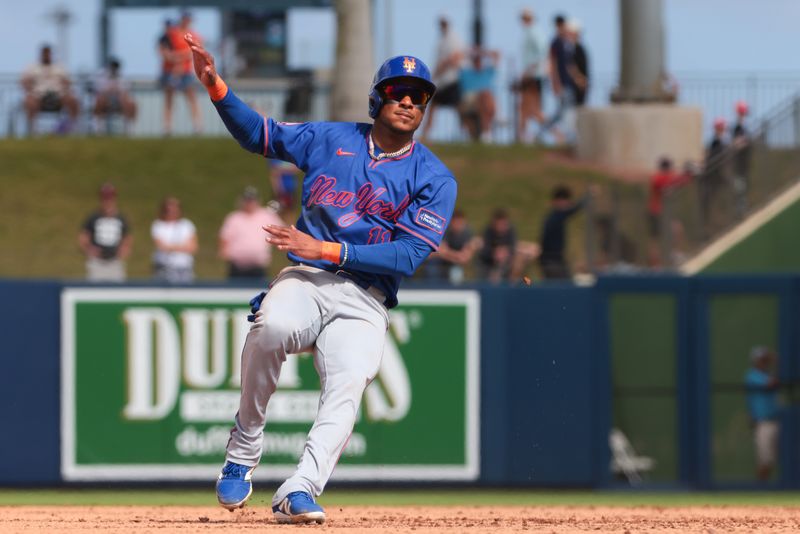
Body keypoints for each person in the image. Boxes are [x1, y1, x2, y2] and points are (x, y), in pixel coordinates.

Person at [185, 34, 457, 524]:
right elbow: (260, 135)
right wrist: (217, 88)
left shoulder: (434, 176)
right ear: (378, 98)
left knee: (348, 383)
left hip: (366, 297)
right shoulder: (330, 138)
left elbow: (411, 252)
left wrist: (331, 248)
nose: (410, 103)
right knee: (269, 327)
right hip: (308, 278)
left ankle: (300, 488)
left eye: (420, 97)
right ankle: (244, 444)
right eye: (399, 92)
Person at [218, 186, 284, 281]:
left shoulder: (266, 215)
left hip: (258, 267)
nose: (250, 203)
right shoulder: (234, 217)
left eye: (252, 200)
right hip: (237, 267)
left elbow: (281, 231)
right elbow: (225, 237)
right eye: (247, 200)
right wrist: (224, 252)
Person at [421, 16, 465, 140]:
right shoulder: (442, 39)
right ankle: (426, 133)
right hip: (442, 82)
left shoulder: (453, 38)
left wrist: (442, 66)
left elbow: (457, 56)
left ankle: (466, 132)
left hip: (452, 80)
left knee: (458, 108)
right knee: (434, 105)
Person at [20, 44, 80, 135]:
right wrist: (29, 87)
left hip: (58, 95)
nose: (46, 56)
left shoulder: (59, 67)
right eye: (44, 53)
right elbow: (24, 81)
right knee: (29, 101)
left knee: (72, 100)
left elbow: (68, 82)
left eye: (48, 53)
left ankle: (73, 128)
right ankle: (33, 131)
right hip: (38, 95)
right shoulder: (32, 67)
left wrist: (66, 86)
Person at [78, 183, 132, 282]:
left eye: (110, 198)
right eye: (105, 198)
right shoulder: (93, 217)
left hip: (115, 261)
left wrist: (124, 250)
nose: (107, 202)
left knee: (117, 291)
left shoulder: (121, 218)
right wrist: (88, 249)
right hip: (97, 262)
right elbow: (83, 237)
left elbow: (127, 237)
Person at [538, 185, 591, 280]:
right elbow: (574, 209)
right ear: (558, 202)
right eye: (566, 202)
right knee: (563, 287)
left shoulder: (554, 216)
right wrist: (588, 195)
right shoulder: (556, 216)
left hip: (555, 260)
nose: (568, 204)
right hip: (552, 262)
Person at [161, 12, 202, 134]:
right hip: (170, 71)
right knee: (169, 99)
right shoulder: (172, 33)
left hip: (186, 71)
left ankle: (197, 125)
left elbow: (195, 51)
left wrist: (177, 57)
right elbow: (165, 52)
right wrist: (179, 57)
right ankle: (167, 127)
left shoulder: (194, 35)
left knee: (191, 98)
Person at [647, 157, 692, 267]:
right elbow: (671, 181)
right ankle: (656, 263)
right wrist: (686, 174)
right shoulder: (659, 178)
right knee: (659, 238)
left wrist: (688, 175)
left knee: (675, 230)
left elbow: (678, 182)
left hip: (662, 212)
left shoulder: (663, 177)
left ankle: (672, 254)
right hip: (657, 211)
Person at [744, 346, 780, 482]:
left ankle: (764, 486)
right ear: (755, 361)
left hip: (775, 419)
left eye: (765, 360)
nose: (763, 362)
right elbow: (771, 384)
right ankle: (760, 487)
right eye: (761, 360)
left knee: (772, 458)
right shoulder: (752, 375)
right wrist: (778, 364)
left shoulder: (767, 374)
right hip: (762, 421)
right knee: (765, 458)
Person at [538, 15, 574, 144]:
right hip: (561, 83)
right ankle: (567, 137)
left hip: (568, 83)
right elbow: (552, 63)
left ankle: (544, 132)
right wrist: (555, 83)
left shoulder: (566, 42)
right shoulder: (555, 43)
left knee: (563, 112)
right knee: (563, 112)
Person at [515, 8, 547, 144]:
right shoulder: (530, 32)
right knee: (525, 108)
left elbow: (541, 53)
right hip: (531, 75)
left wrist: (528, 70)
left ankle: (557, 133)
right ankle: (521, 136)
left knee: (531, 108)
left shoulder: (534, 32)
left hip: (532, 76)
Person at [424, 209, 480, 283]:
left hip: (457, 266)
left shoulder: (468, 234)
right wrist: (456, 256)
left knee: (456, 272)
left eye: (460, 223)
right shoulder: (445, 232)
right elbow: (438, 251)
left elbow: (465, 258)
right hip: (442, 263)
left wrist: (446, 254)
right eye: (455, 222)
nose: (457, 225)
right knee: (432, 267)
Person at [151, 196, 198, 283]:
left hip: (183, 267)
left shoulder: (187, 225)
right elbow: (162, 246)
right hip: (164, 267)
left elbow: (193, 247)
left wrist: (171, 247)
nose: (172, 212)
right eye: (168, 210)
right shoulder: (158, 225)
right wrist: (182, 247)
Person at [458, 47, 500, 142]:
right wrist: (470, 52)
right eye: (476, 59)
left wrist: (482, 52)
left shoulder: (488, 72)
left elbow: (497, 55)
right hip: (470, 101)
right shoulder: (466, 72)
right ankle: (487, 132)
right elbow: (455, 59)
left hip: (486, 102)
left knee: (485, 96)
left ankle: (486, 132)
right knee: (485, 96)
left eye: (480, 59)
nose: (478, 62)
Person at [698, 117, 728, 237]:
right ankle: (709, 229)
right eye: (719, 127)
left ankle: (712, 228)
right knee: (709, 204)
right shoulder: (716, 142)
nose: (721, 130)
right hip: (712, 178)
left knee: (712, 204)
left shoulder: (719, 142)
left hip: (715, 178)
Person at [93, 57, 138, 134]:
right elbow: (99, 90)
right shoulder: (102, 75)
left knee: (131, 103)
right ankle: (98, 128)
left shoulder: (122, 76)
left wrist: (117, 91)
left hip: (119, 102)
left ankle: (129, 128)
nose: (114, 69)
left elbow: (125, 91)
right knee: (100, 99)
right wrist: (110, 90)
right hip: (105, 100)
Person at [477, 208, 517, 283]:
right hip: (489, 263)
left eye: (503, 224)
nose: (500, 227)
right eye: (499, 224)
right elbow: (484, 249)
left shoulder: (511, 231)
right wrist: (494, 253)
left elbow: (513, 247)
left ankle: (514, 284)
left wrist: (505, 252)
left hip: (507, 262)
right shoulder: (488, 231)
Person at [731, 100, 752, 218]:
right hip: (738, 164)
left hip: (743, 164)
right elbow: (736, 144)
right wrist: (744, 142)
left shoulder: (742, 127)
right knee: (740, 188)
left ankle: (742, 209)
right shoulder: (737, 128)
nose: (743, 116)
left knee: (742, 187)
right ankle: (740, 212)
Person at [565, 19, 589, 107]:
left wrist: (579, 79)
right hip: (576, 83)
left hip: (579, 83)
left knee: (579, 107)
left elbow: (572, 66)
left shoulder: (578, 48)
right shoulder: (573, 48)